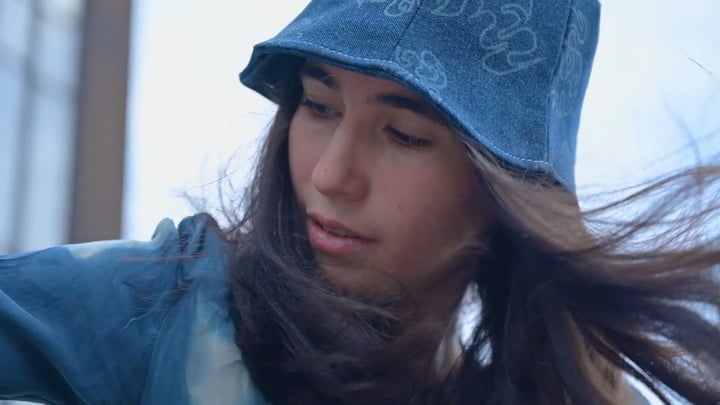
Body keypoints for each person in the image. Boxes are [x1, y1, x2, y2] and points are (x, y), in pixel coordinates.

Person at [1, 0, 719, 404]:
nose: (332, 174)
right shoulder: (161, 306)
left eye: (405, 135)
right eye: (318, 105)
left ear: (507, 189)